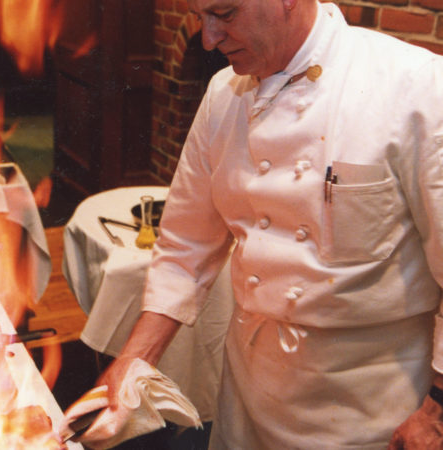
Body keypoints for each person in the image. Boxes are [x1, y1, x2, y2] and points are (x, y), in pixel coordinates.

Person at [93, 0, 443, 448]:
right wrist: (133, 363)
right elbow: (185, 246)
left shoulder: (417, 88)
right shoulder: (223, 94)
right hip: (249, 391)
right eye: (202, 18)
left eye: (226, 14)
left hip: (369, 409)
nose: (208, 38)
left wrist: (436, 412)